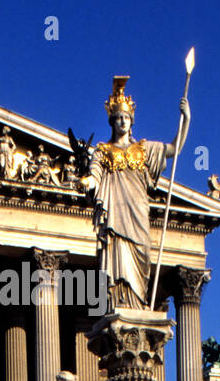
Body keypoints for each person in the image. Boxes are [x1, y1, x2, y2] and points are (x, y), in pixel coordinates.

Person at [81, 76, 190, 311]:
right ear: (112, 122)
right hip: (116, 217)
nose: (122, 122)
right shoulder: (103, 151)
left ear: (132, 121)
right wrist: (89, 181)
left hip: (138, 214)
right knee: (117, 261)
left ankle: (137, 306)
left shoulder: (144, 149)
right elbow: (95, 173)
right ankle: (120, 304)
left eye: (126, 118)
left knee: (141, 261)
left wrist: (186, 118)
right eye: (118, 118)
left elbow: (174, 148)